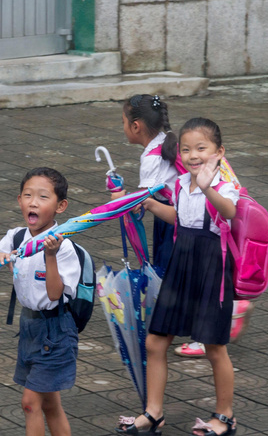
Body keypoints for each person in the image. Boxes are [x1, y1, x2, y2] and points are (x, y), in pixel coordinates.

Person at [116, 118, 239, 436]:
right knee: (156, 342)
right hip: (181, 267)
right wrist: (145, 202)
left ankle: (225, 416)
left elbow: (228, 212)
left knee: (214, 347)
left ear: (219, 151)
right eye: (186, 149)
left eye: (201, 148)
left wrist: (208, 185)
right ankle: (153, 413)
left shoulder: (224, 185)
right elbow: (181, 219)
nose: (193, 155)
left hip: (212, 269)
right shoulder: (182, 186)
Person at [0, 167, 80, 436]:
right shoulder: (17, 237)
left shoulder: (64, 247)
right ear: (19, 200)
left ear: (61, 206)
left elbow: (55, 294)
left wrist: (51, 256)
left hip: (56, 330)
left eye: (43, 197)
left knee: (30, 403)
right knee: (50, 404)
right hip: (30, 326)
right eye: (27, 195)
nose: (33, 202)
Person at [112, 94, 178, 274]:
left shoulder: (151, 158)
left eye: (123, 122)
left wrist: (119, 198)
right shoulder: (166, 141)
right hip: (175, 215)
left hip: (171, 222)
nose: (123, 127)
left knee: (167, 274)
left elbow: (137, 204)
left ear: (135, 127)